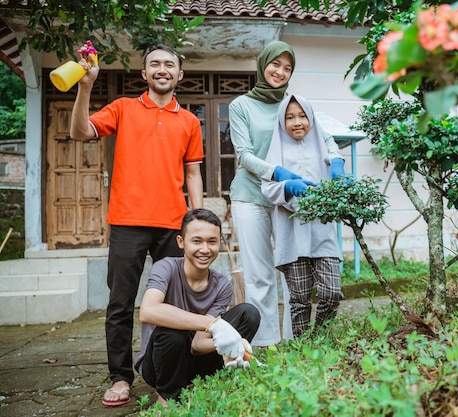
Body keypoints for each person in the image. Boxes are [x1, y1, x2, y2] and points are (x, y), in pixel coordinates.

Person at [69, 44, 204, 407]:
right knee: (121, 304)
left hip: (172, 224)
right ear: (144, 74)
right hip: (127, 223)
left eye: (169, 65)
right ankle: (121, 377)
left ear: (179, 74)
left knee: (177, 302)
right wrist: (85, 86)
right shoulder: (124, 108)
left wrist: (198, 221)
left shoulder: (189, 121)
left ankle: (170, 376)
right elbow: (80, 132)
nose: (162, 69)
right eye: (154, 64)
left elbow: (193, 173)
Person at [228, 40, 344, 346]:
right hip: (251, 196)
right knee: (259, 275)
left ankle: (296, 340)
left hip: (286, 201)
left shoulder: (291, 104)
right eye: (275, 64)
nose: (280, 72)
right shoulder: (241, 105)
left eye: (287, 67)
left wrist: (337, 162)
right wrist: (277, 172)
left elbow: (325, 137)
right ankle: (266, 343)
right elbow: (244, 154)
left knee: (293, 269)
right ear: (262, 64)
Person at [135, 208, 261, 407]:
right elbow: (148, 311)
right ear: (180, 242)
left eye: (212, 241)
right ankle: (166, 397)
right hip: (160, 363)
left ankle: (205, 379)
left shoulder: (222, 285)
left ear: (220, 242)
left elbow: (197, 345)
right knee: (173, 330)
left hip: (196, 362)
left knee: (248, 313)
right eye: (196, 241)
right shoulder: (165, 267)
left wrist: (234, 342)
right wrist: (214, 325)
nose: (205, 249)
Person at [261, 95, 344, 337]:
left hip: (322, 233)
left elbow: (337, 184)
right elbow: (267, 189)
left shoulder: (325, 149)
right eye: (289, 117)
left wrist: (339, 173)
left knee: (331, 293)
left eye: (302, 116)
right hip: (292, 235)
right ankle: (302, 349)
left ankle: (318, 339)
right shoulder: (276, 150)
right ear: (281, 122)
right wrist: (286, 187)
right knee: (299, 300)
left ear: (311, 118)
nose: (297, 122)